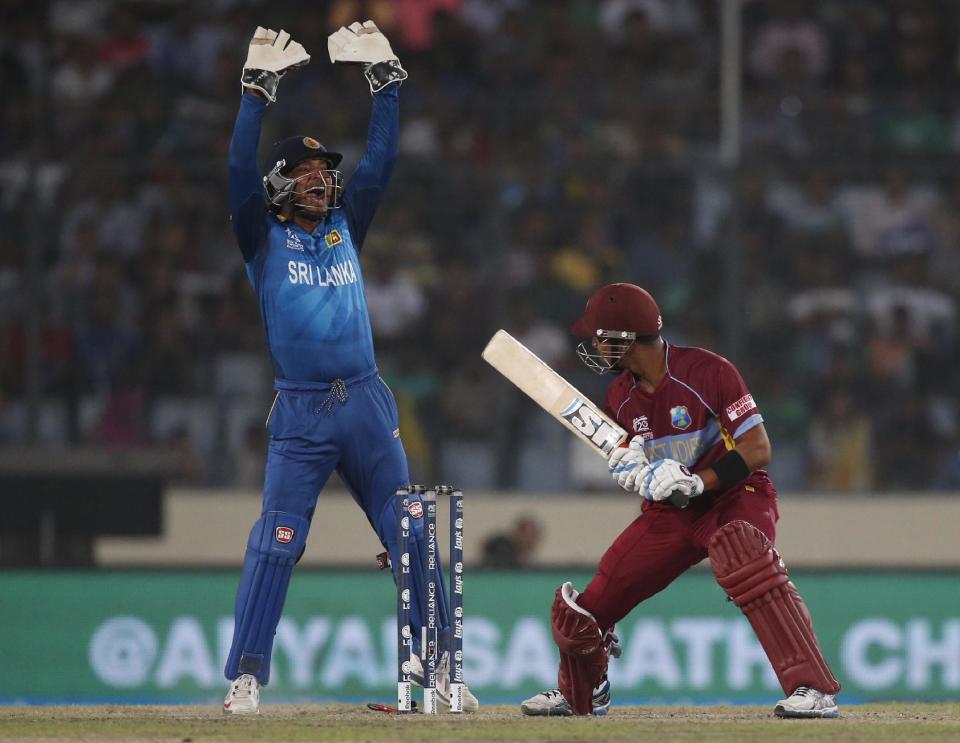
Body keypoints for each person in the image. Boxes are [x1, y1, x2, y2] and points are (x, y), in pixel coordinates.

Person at [221, 23, 477, 714]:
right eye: (305, 174)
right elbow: (238, 169)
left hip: (365, 403)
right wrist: (254, 96)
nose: (321, 179)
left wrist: (387, 87)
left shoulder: (345, 226)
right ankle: (245, 676)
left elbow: (383, 160)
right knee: (278, 539)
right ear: (280, 185)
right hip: (301, 411)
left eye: (324, 172)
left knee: (413, 535)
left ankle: (443, 669)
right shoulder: (260, 235)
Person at [521, 283, 840, 719]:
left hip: (735, 496)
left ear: (627, 337)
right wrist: (630, 469)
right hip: (672, 512)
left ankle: (812, 689)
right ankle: (585, 691)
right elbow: (636, 460)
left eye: (599, 335)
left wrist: (699, 480)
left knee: (744, 554)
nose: (593, 344)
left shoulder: (708, 371)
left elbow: (757, 448)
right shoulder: (620, 395)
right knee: (586, 610)